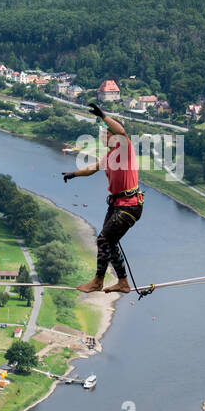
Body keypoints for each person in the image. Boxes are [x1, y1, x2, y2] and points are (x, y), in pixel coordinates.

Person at [62, 102, 144, 293]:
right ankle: (122, 282)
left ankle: (99, 281)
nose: (103, 136)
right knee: (107, 242)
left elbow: (121, 131)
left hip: (129, 205)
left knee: (103, 241)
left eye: (106, 133)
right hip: (117, 205)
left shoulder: (125, 149)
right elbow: (92, 169)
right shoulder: (109, 155)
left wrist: (103, 115)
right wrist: (73, 174)